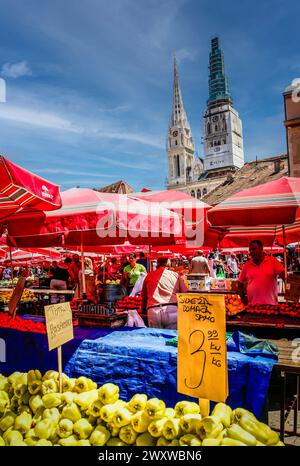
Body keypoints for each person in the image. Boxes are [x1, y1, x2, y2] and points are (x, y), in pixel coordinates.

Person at [141, 257, 188, 329]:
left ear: (157, 265)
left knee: (155, 338)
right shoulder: (175, 275)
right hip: (171, 309)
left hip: (153, 311)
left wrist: (143, 311)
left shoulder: (149, 275)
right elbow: (185, 293)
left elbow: (144, 297)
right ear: (169, 265)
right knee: (171, 338)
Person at [238, 240, 285, 306]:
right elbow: (240, 282)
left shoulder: (272, 261)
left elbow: (284, 276)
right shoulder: (247, 265)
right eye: (250, 250)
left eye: (254, 249)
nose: (251, 252)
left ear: (261, 249)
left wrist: (291, 290)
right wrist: (242, 297)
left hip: (271, 305)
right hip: (252, 306)